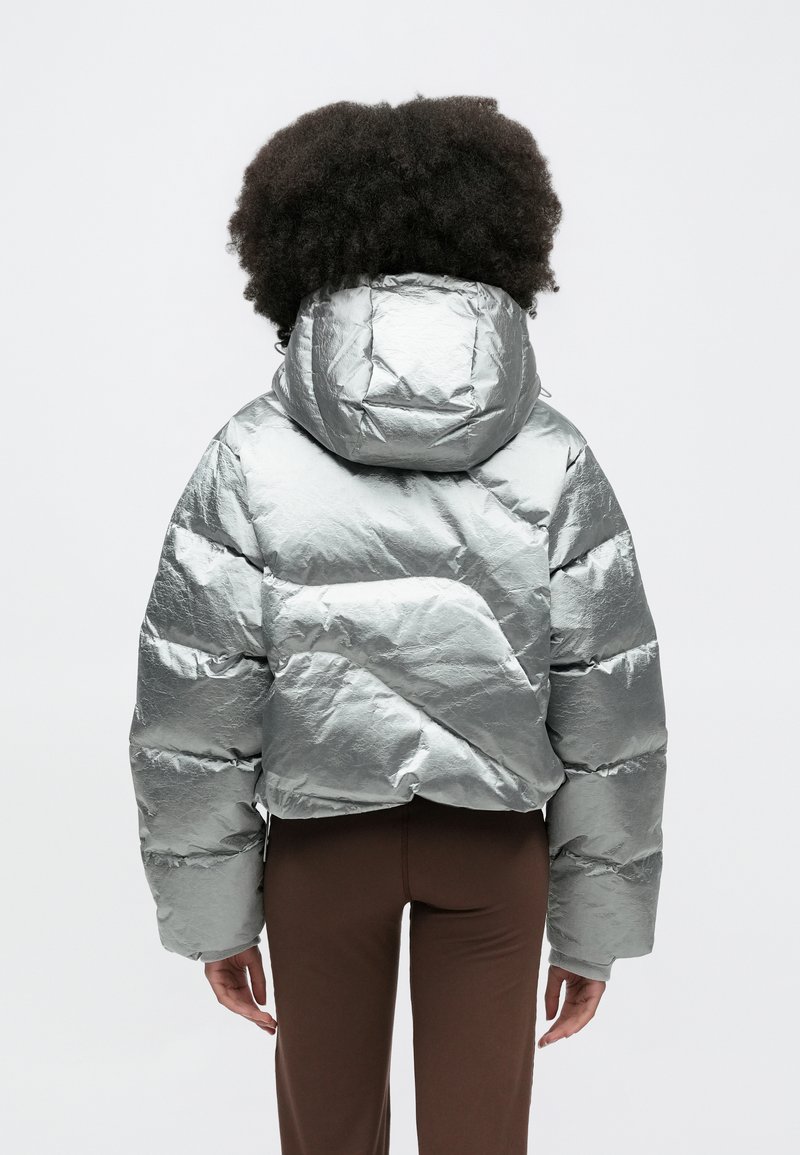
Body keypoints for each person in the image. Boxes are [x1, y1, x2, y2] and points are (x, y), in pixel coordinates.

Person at [128, 94, 668, 1155]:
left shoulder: (249, 455)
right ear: (505, 239)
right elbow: (609, 708)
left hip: (321, 858)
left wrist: (214, 915)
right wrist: (593, 931)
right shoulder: (553, 456)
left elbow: (194, 702)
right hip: (494, 854)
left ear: (292, 246)